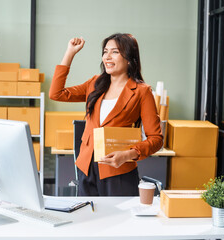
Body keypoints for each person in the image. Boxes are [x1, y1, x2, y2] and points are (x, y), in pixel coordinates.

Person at [49, 33, 163, 196]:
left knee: (117, 220)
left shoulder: (142, 91)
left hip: (118, 171)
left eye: (115, 52)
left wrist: (128, 154)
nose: (107, 57)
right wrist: (70, 53)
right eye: (105, 52)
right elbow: (56, 93)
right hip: (86, 168)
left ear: (129, 58)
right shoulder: (95, 83)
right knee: (87, 218)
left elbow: (156, 139)